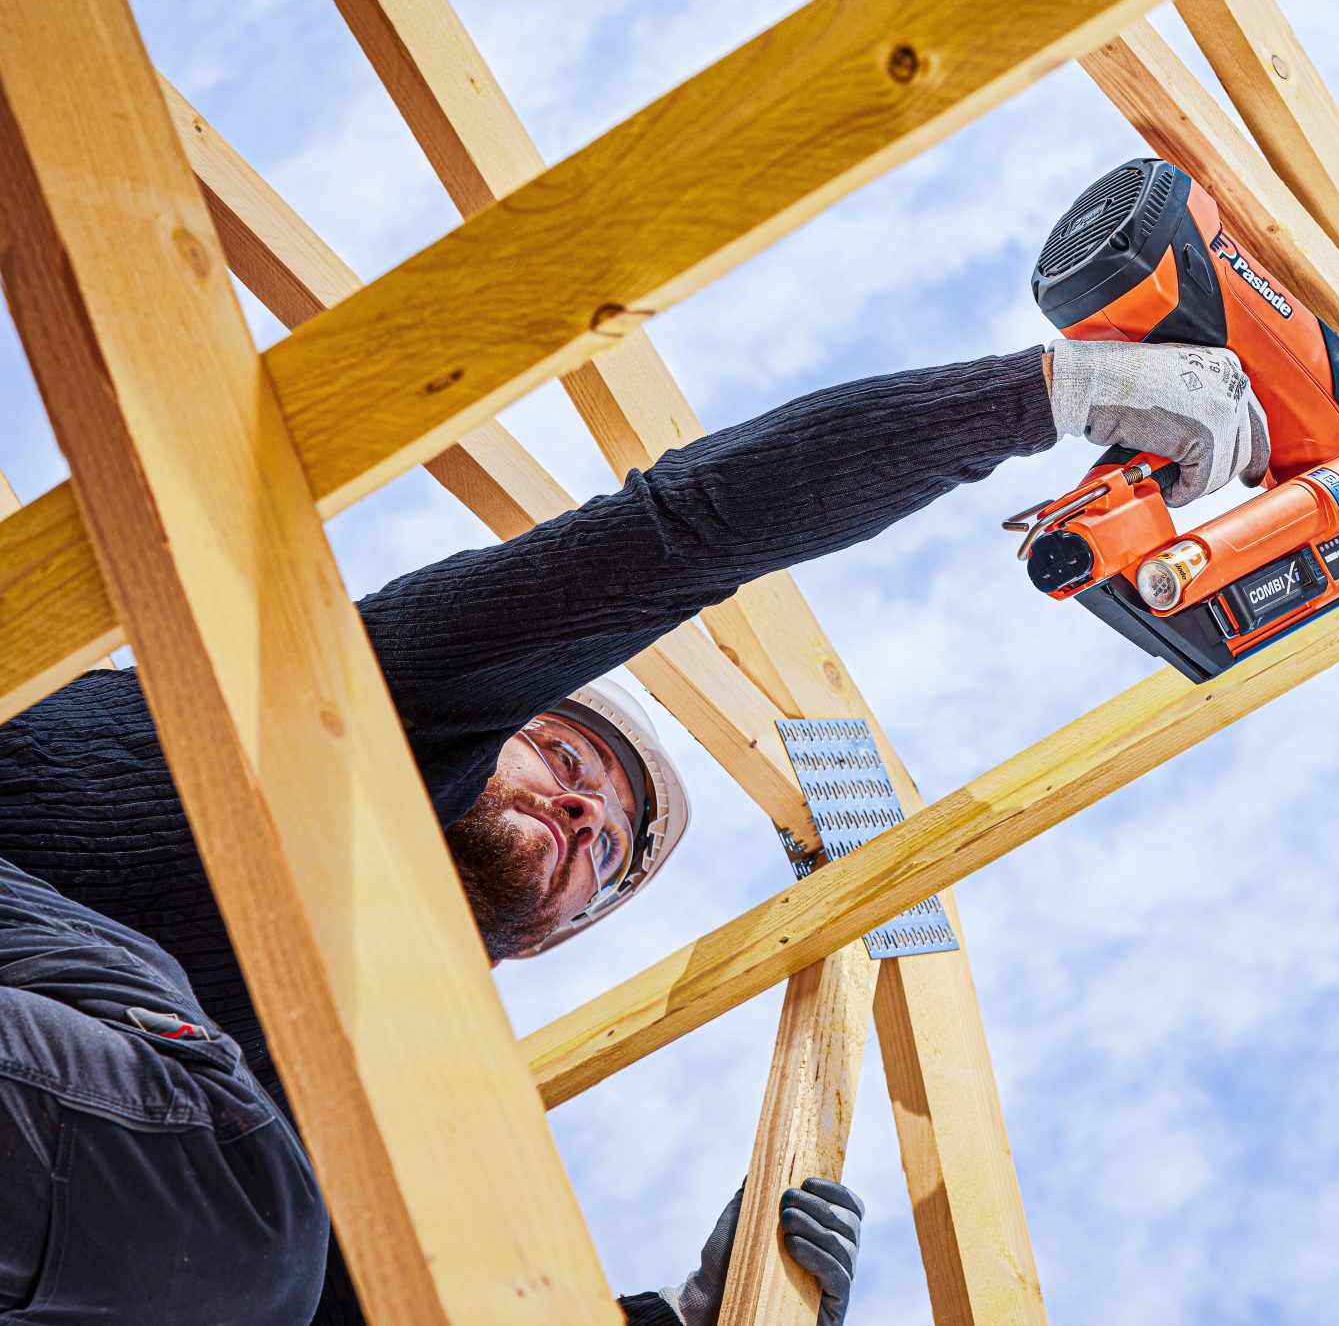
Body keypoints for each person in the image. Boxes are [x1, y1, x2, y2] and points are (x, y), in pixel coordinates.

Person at [0, 337, 1270, 1324]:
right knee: (247, 1212)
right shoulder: (359, 721)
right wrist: (1039, 395)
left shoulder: (338, 1122)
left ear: (535, 949)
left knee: (257, 1265)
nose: (579, 810)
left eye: (605, 851)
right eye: (560, 755)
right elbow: (678, 536)